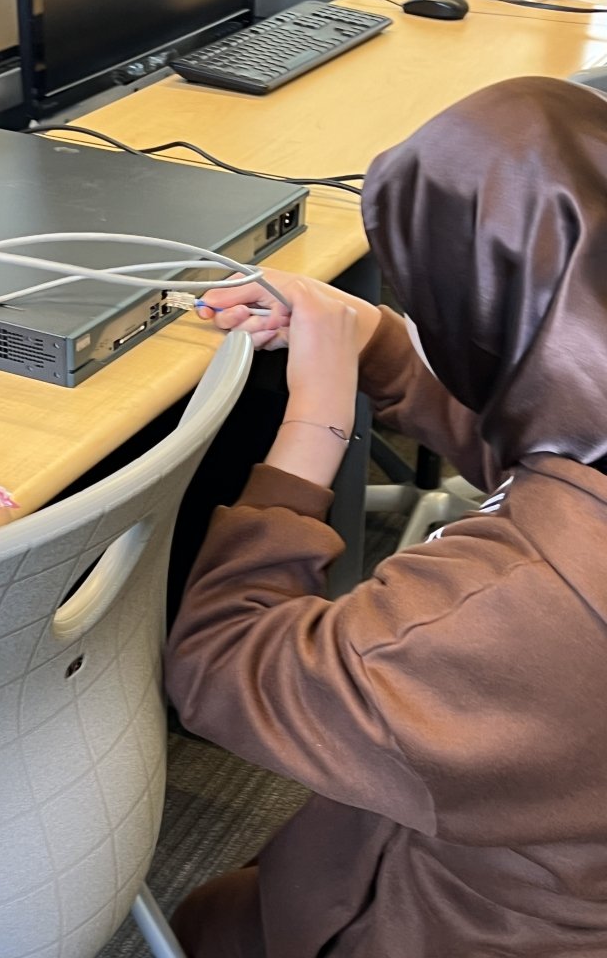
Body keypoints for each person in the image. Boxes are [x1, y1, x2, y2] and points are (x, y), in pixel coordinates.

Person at [163, 74, 607, 957]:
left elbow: (221, 664)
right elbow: (562, 437)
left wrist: (314, 421)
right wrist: (377, 344)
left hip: (473, 927)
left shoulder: (518, 607)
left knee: (213, 920)